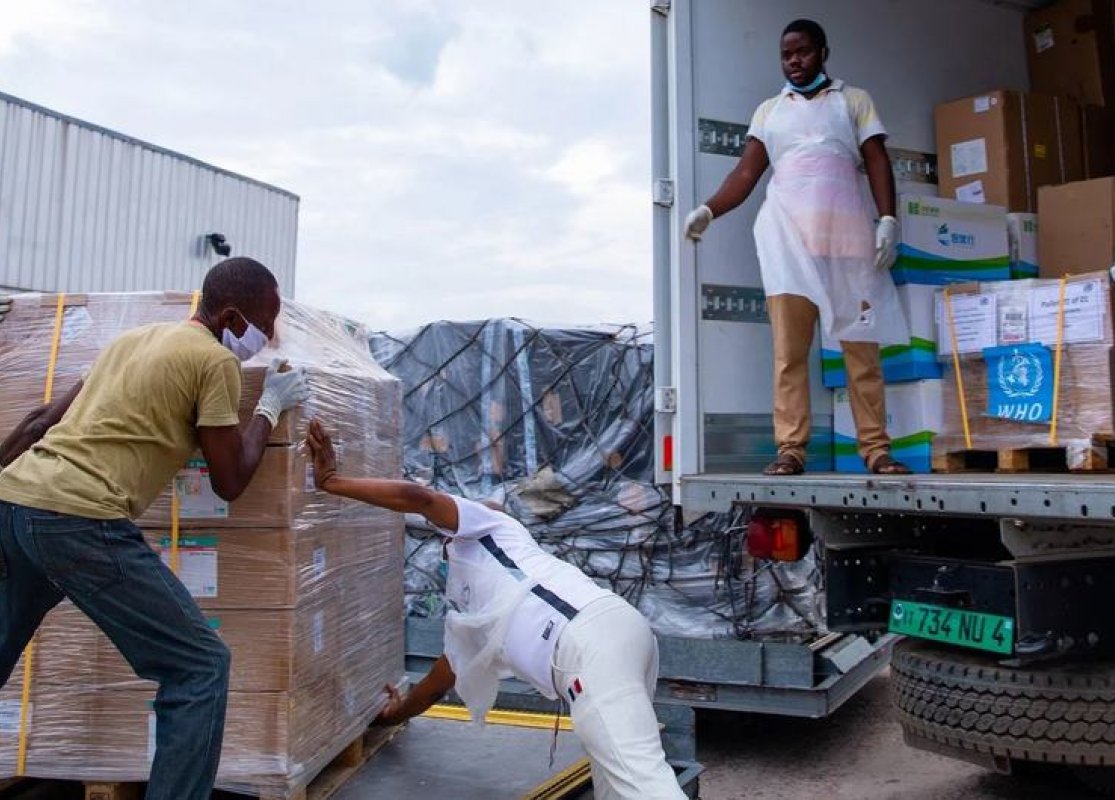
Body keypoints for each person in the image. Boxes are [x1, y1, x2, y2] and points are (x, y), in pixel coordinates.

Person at [0, 258, 309, 800]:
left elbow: (42, 420)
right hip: (80, 519)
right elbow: (230, 479)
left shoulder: (131, 340)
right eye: (266, 322)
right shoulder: (215, 362)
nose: (268, 337)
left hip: (15, 503)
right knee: (200, 667)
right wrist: (268, 408)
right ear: (232, 316)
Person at [305, 419, 685, 800]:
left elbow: (418, 498)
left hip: (588, 645)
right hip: (613, 633)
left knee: (644, 784)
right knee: (617, 783)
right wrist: (391, 716)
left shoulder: (494, 529)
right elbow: (444, 676)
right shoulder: (480, 607)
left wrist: (333, 482)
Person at [684, 18, 911, 476]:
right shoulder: (770, 111)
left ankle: (876, 450)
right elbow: (746, 174)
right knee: (789, 355)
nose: (795, 61)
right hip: (787, 249)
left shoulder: (853, 100)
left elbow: (877, 160)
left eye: (803, 51)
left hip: (846, 245)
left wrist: (887, 219)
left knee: (860, 351)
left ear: (823, 52)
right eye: (787, 54)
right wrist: (709, 210)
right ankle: (791, 450)